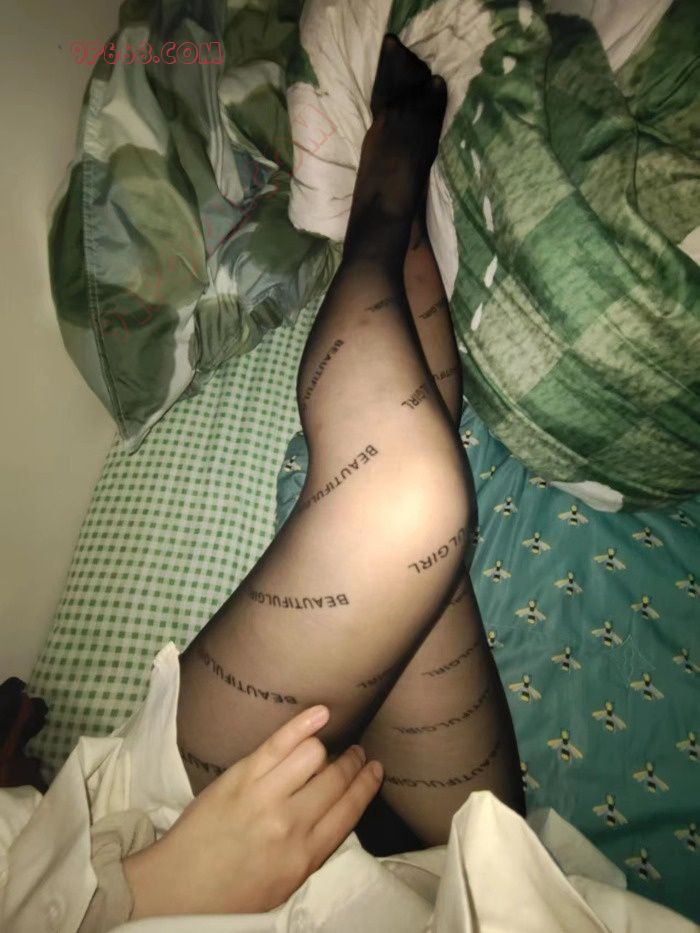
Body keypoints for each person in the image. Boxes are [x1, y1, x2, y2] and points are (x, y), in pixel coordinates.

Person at [8, 35, 691, 933]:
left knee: (404, 505)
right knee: (405, 503)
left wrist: (149, 888)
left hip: (146, 850)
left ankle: (381, 203)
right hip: (427, 893)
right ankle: (386, 203)